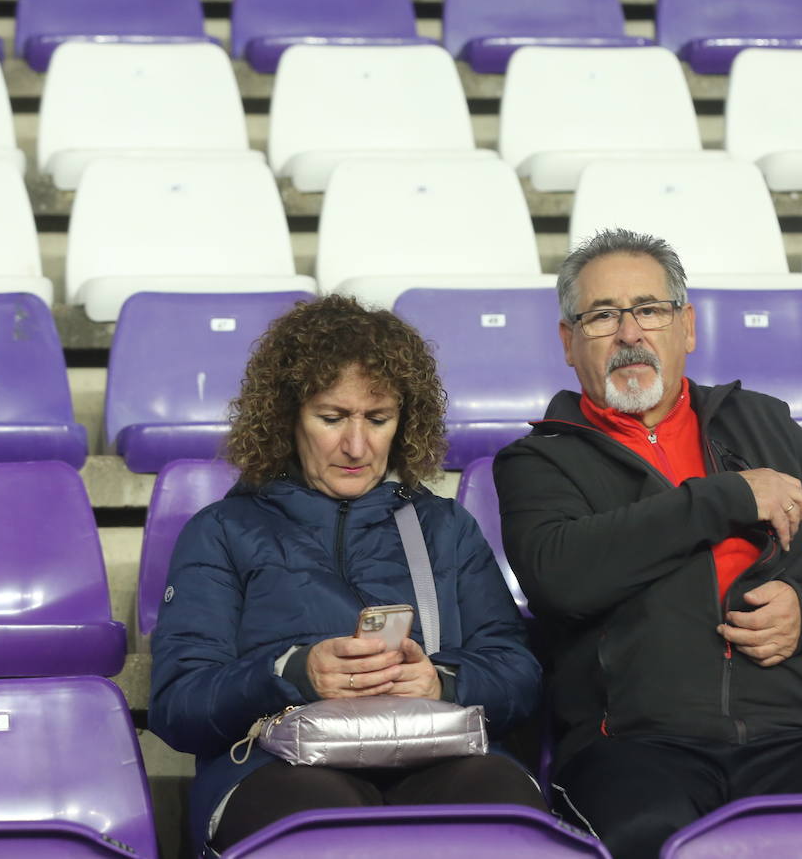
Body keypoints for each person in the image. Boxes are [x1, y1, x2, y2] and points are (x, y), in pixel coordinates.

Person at [493, 229, 802, 859]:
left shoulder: (761, 423)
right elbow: (559, 575)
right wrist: (726, 498)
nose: (629, 334)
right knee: (649, 837)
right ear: (568, 343)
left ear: (686, 327)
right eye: (601, 317)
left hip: (794, 739)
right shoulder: (538, 459)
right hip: (632, 749)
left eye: (649, 309)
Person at [149, 295, 545, 854]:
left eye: (378, 420)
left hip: (437, 752)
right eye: (332, 418)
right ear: (287, 418)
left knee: (503, 805)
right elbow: (178, 705)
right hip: (276, 767)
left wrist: (443, 682)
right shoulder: (220, 530)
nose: (356, 446)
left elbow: (519, 674)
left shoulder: (445, 527)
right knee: (318, 822)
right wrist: (291, 673)